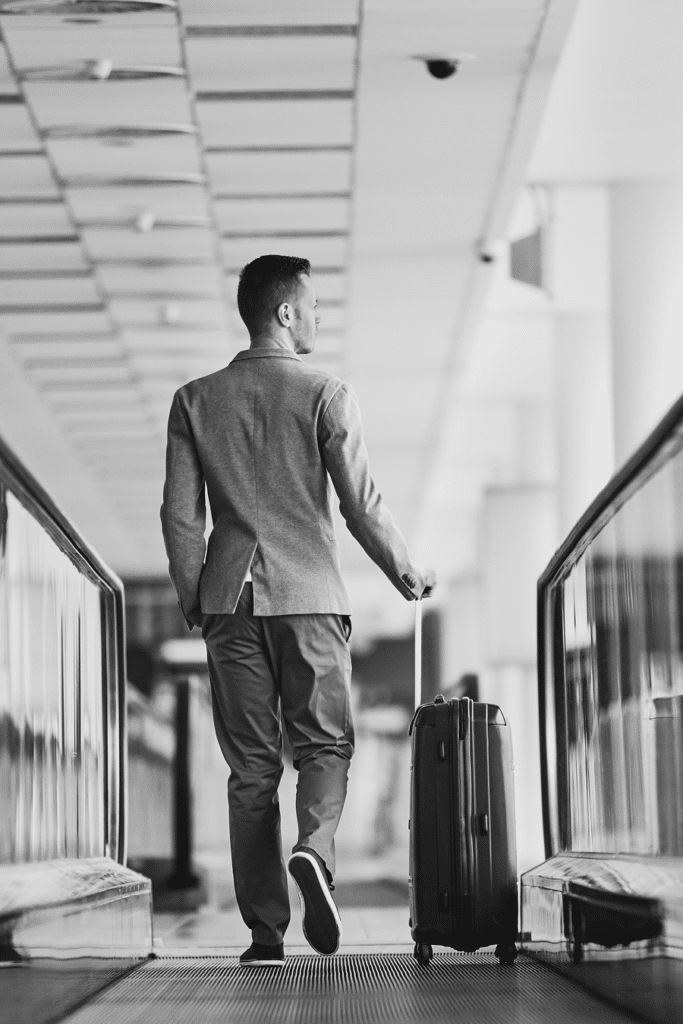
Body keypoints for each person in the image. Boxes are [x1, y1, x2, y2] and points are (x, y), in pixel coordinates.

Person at [160, 254, 437, 967]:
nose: (316, 317)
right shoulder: (324, 393)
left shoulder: (194, 399)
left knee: (250, 769)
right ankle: (312, 850)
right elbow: (358, 504)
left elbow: (179, 515)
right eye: (311, 305)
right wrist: (404, 569)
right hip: (309, 597)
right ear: (284, 311)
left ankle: (264, 937)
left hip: (230, 603)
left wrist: (196, 594)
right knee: (322, 746)